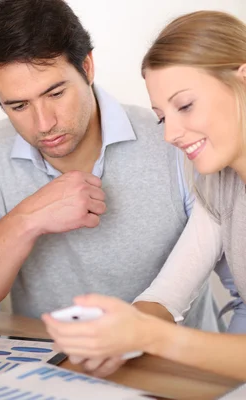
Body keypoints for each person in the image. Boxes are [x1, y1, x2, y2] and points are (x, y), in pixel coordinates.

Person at [0, 0, 228, 375]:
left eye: (55, 94)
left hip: (178, 378)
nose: (44, 122)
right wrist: (27, 219)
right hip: (58, 378)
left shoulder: (174, 138)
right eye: (18, 106)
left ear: (87, 67)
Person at [45, 10, 246, 382]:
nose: (170, 135)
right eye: (161, 116)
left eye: (185, 105)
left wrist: (151, 336)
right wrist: (120, 333)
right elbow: (170, 292)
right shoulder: (219, 183)